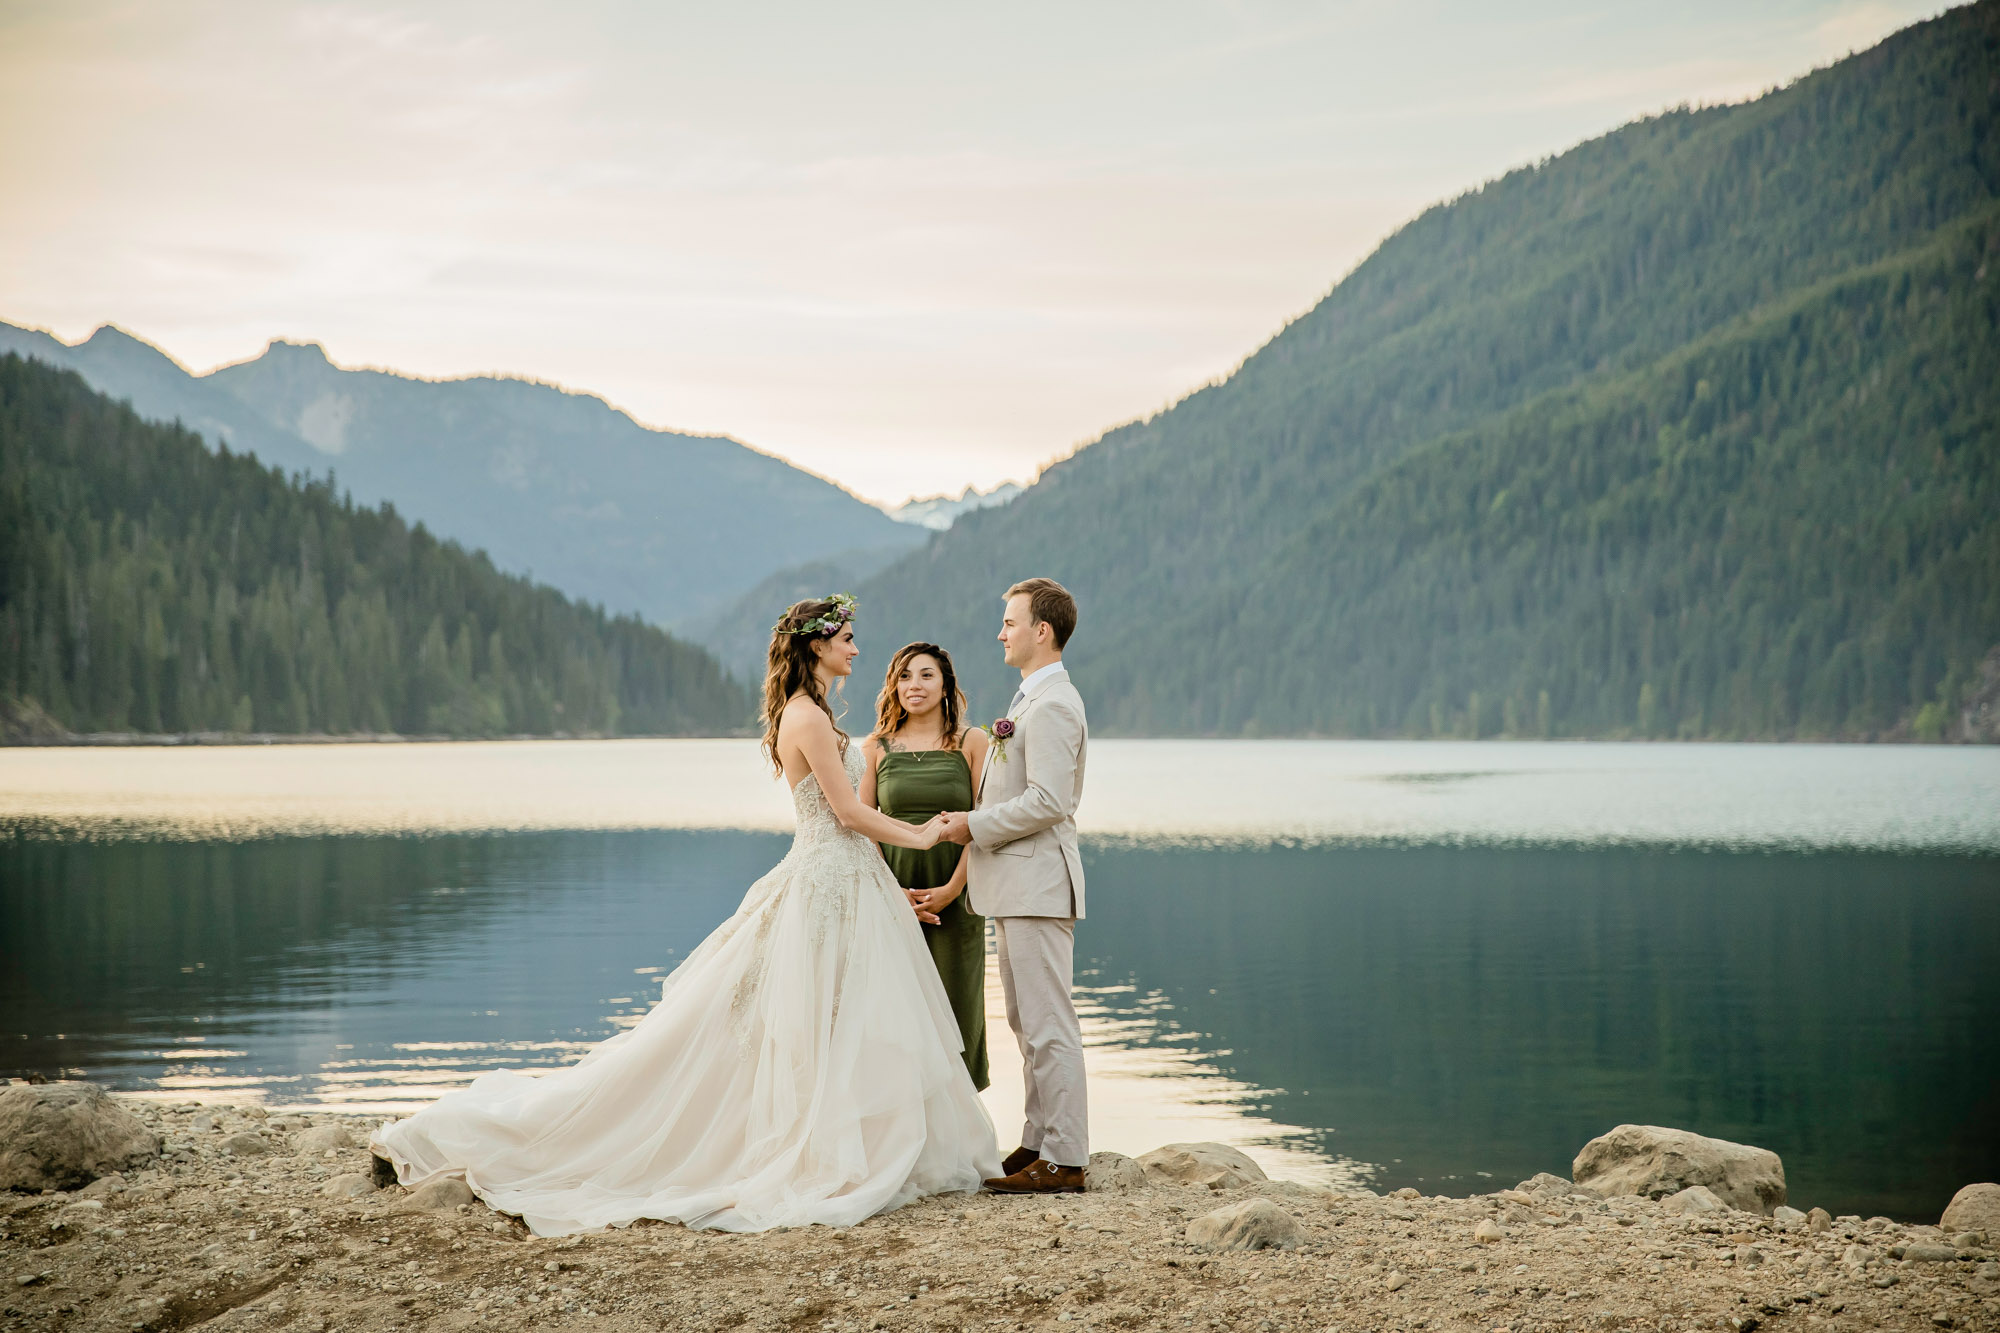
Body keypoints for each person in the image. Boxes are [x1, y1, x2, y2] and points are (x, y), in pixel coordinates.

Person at [369, 594, 1000, 1235]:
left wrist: (889, 875)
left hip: (849, 878)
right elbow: (846, 814)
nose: (857, 650)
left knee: (840, 1015)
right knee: (804, 1016)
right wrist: (923, 837)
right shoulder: (806, 716)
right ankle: (802, 1144)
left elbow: (852, 823)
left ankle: (843, 1134)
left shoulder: (820, 713)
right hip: (825, 879)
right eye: (847, 639)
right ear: (817, 646)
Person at [935, 577, 1089, 1194]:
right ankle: (1036, 1142)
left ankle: (1068, 1157)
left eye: (1009, 622)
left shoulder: (1053, 704)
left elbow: (1050, 800)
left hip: (1039, 884)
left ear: (1041, 630)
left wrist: (970, 826)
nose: (1001, 632)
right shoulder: (1031, 700)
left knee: (1050, 1023)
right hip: (1018, 887)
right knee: (1026, 1022)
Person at [860, 642, 991, 1091]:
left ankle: (962, 1134)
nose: (913, 685)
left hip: (957, 896)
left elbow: (984, 820)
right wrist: (890, 895)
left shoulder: (972, 742)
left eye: (926, 675)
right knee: (894, 1010)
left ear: (946, 683)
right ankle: (900, 1126)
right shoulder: (876, 747)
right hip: (892, 899)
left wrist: (955, 887)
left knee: (958, 1007)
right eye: (904, 676)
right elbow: (862, 828)